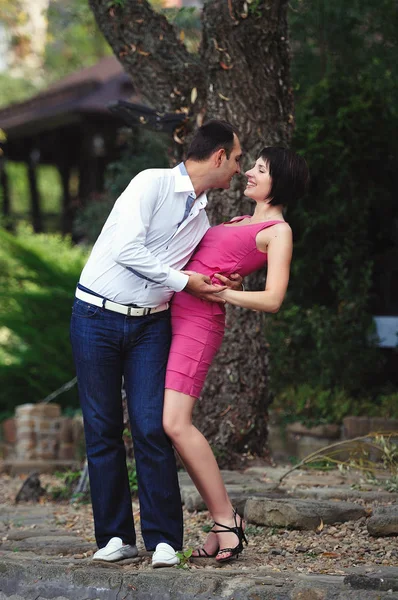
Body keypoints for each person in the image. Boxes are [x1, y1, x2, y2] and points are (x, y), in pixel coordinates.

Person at [70, 119, 244, 568]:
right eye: (238, 159)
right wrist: (186, 281)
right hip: (95, 316)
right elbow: (128, 249)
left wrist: (223, 276)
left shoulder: (203, 216)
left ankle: (164, 539)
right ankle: (114, 537)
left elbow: (204, 260)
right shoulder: (151, 184)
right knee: (103, 427)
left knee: (151, 427)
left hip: (151, 325)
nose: (240, 170)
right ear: (219, 155)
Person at [163, 146, 310, 563]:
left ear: (277, 181)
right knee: (166, 424)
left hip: (198, 324)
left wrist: (223, 292)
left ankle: (227, 519)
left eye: (259, 170)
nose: (247, 172)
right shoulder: (242, 220)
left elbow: (275, 298)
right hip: (171, 315)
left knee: (175, 423)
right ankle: (221, 521)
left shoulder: (279, 231)